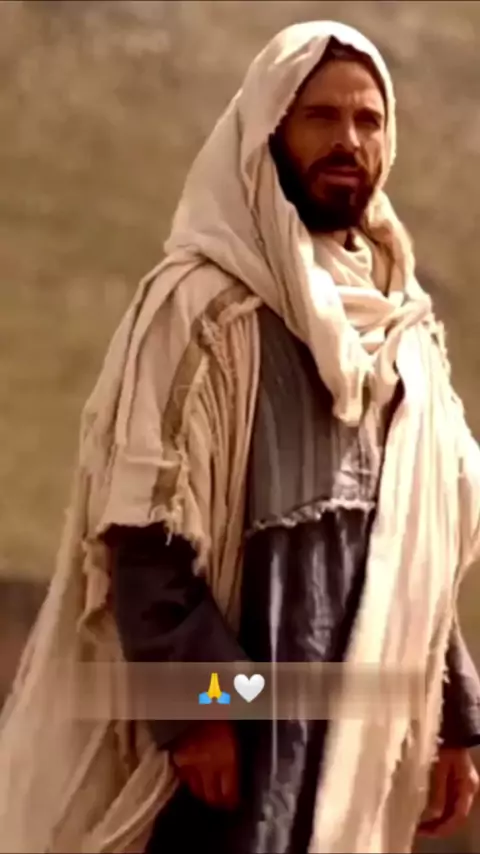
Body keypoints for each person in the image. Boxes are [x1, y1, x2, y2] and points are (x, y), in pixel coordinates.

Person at [1, 19, 480, 854]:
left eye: (367, 121)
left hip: (354, 727)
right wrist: (204, 713)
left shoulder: (405, 336)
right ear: (269, 131)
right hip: (238, 721)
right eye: (320, 117)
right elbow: (143, 532)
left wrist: (452, 714)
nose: (348, 140)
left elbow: (418, 552)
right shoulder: (201, 309)